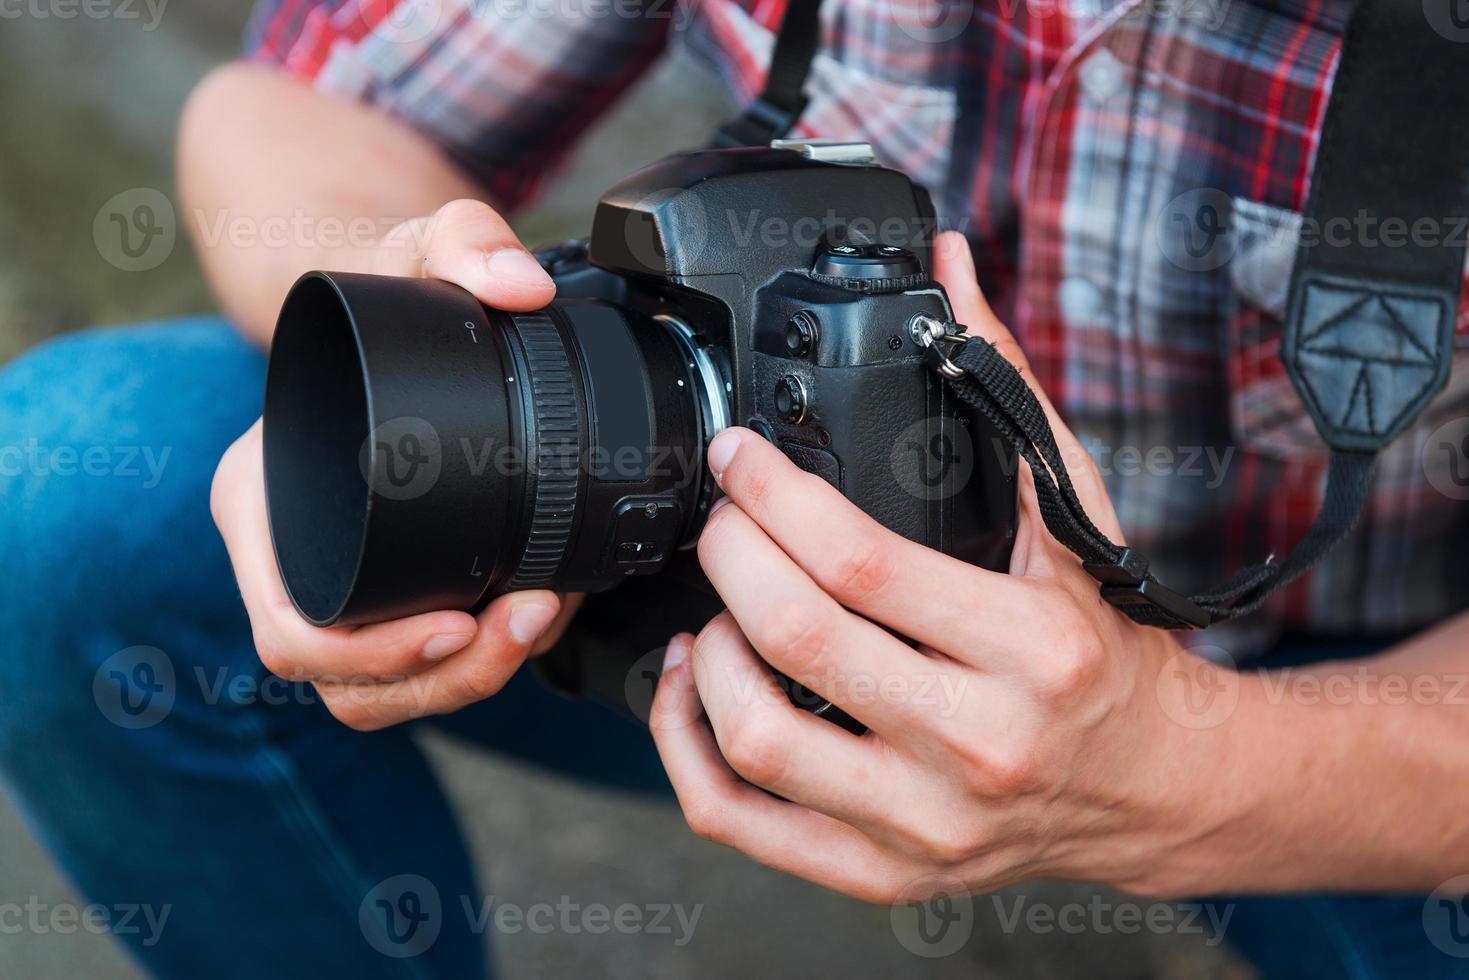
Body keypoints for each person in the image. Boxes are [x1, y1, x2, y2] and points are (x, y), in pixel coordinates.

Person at [1, 0, 1466, 977]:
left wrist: (1187, 770)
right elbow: (278, 109)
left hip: (1348, 727)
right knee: (60, 501)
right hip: (721, 622)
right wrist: (434, 305)